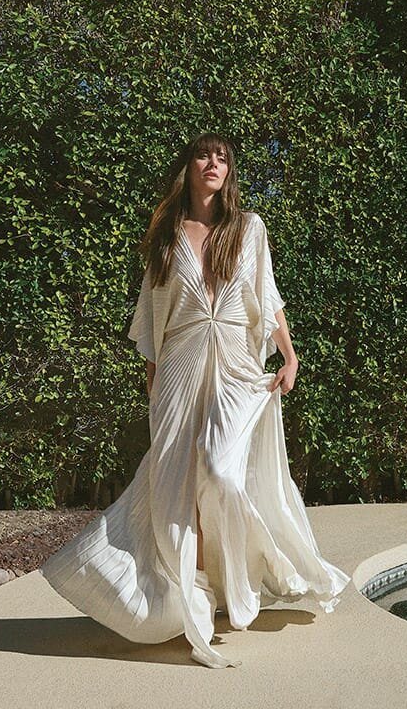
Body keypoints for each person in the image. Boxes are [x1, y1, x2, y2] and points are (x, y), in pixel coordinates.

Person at [41, 132, 349, 668]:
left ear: (229, 172)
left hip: (234, 365)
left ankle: (235, 578)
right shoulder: (166, 236)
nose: (213, 163)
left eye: (222, 157)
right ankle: (198, 592)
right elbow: (154, 314)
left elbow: (267, 294)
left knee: (220, 471)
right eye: (204, 155)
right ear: (188, 167)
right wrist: (153, 380)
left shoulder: (248, 227)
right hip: (179, 367)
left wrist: (289, 355)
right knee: (176, 485)